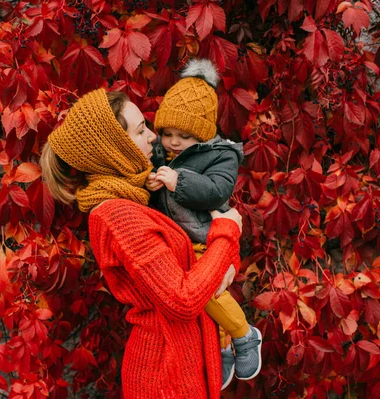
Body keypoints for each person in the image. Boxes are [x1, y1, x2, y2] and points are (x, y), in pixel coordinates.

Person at [41, 87, 243, 398]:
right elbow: (182, 300)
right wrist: (227, 233)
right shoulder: (118, 216)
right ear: (114, 147)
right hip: (164, 376)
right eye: (140, 130)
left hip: (182, 365)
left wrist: (225, 260)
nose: (152, 137)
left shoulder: (139, 198)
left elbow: (198, 263)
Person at [145, 58, 262, 390]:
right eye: (167, 133)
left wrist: (177, 181)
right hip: (176, 241)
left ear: (204, 132)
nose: (174, 143)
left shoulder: (221, 155)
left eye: (184, 135)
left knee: (207, 292)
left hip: (206, 236)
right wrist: (151, 182)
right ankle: (225, 347)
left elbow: (216, 191)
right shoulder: (159, 152)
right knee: (202, 302)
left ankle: (244, 335)